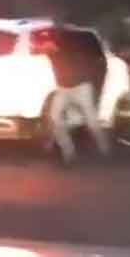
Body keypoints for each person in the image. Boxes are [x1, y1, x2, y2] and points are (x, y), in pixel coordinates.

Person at [46, 31, 111, 166]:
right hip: (64, 89)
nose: (48, 46)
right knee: (54, 117)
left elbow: (90, 64)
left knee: (91, 121)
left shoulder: (70, 52)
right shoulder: (51, 53)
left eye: (50, 44)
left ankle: (104, 148)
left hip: (81, 87)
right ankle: (68, 153)